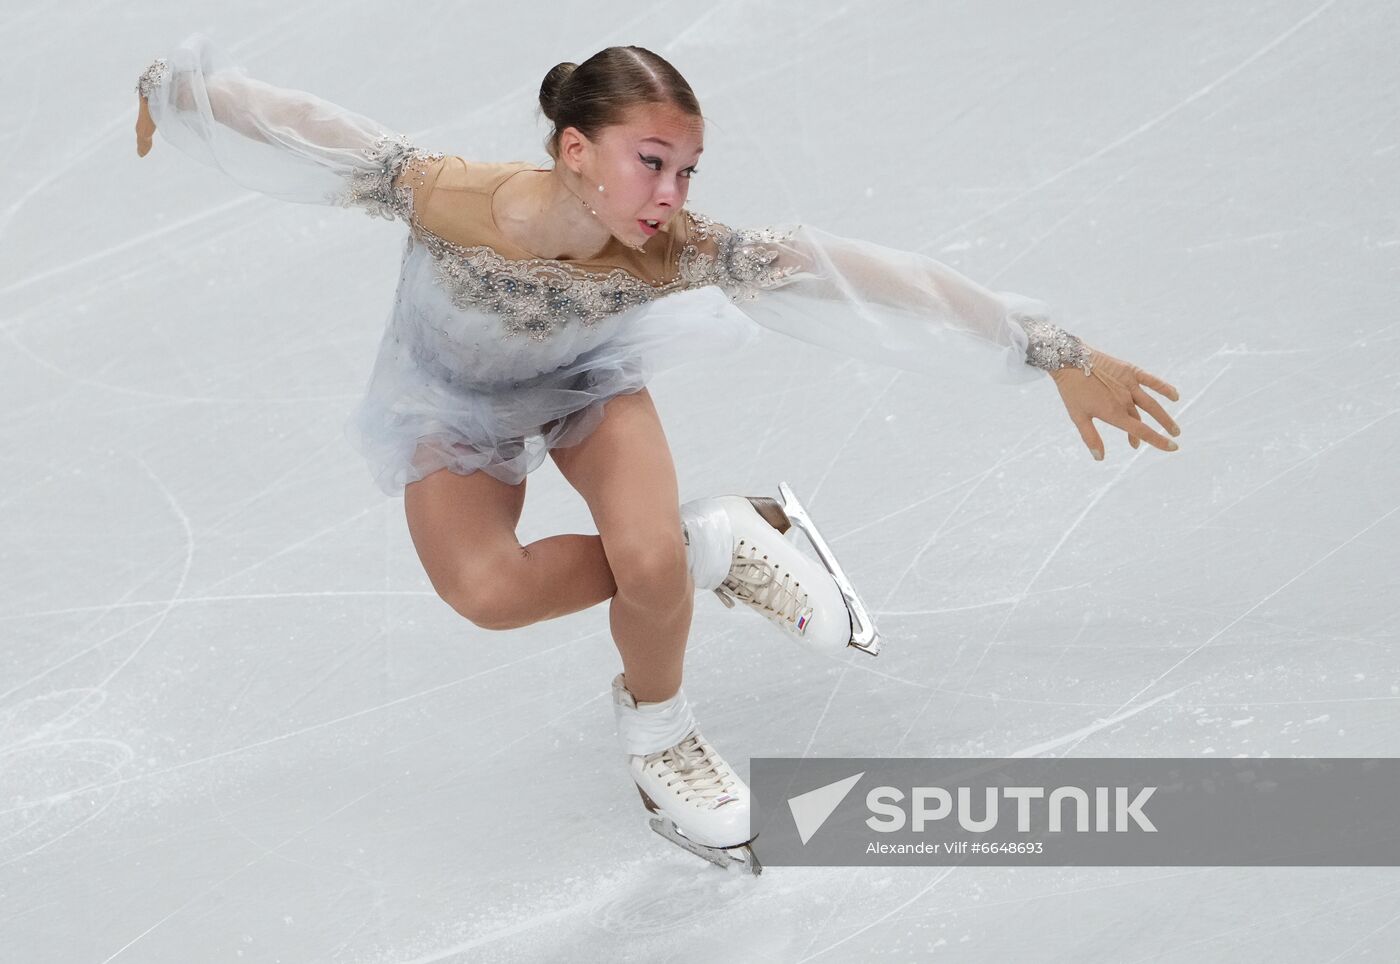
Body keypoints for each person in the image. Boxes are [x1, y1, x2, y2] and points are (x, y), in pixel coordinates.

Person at [133, 33, 1182, 874]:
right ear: (573, 149)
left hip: (587, 389)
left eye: (684, 169)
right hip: (451, 406)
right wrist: (175, 90)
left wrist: (1046, 347)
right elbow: (300, 127)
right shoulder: (443, 193)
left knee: (642, 567)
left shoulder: (677, 250)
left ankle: (661, 731)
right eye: (651, 162)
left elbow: (863, 276)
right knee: (487, 592)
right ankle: (718, 543)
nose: (670, 192)